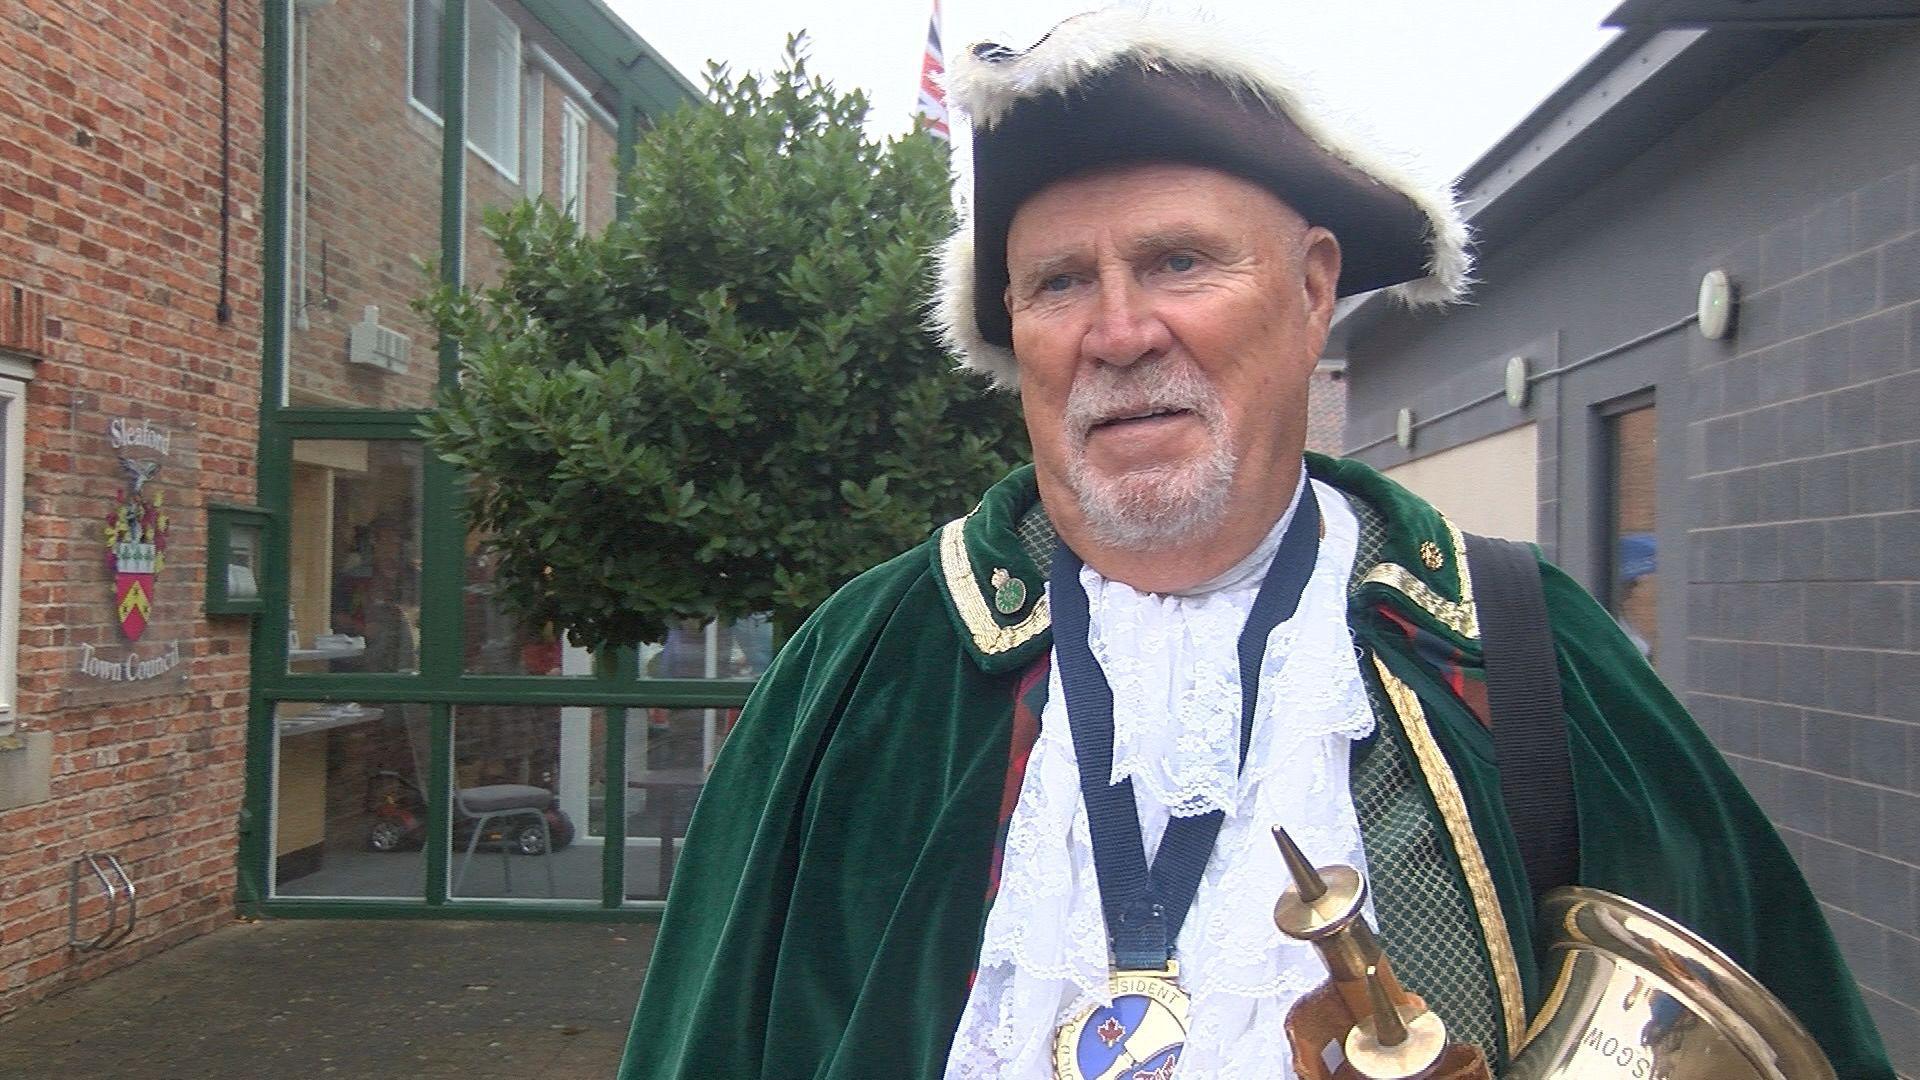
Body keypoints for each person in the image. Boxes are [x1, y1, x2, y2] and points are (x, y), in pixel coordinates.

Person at [619, 9, 1891, 1080]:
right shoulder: (865, 670)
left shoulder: (1514, 644)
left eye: (1179, 262)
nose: (1119, 332)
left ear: (1315, 286)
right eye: (1060, 282)